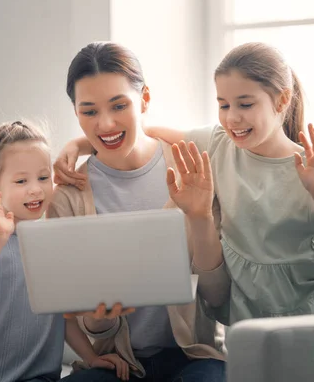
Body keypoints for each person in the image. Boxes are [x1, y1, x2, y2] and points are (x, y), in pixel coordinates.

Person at [55, 42, 314, 326]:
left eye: (245, 104)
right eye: (223, 105)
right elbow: (143, 131)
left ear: (282, 101)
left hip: (311, 313)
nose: (231, 118)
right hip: (248, 319)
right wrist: (79, 145)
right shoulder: (217, 142)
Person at [48, 42, 226, 382]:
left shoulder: (192, 167)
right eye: (89, 111)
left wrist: (201, 217)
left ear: (144, 99)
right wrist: (101, 317)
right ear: (75, 113)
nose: (105, 123)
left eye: (119, 105)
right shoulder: (67, 197)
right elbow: (81, 319)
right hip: (117, 364)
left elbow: (217, 297)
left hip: (194, 358)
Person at [0, 120, 128, 382]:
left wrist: (91, 358)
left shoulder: (53, 242)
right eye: (21, 180)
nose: (35, 189)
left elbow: (60, 318)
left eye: (43, 178)